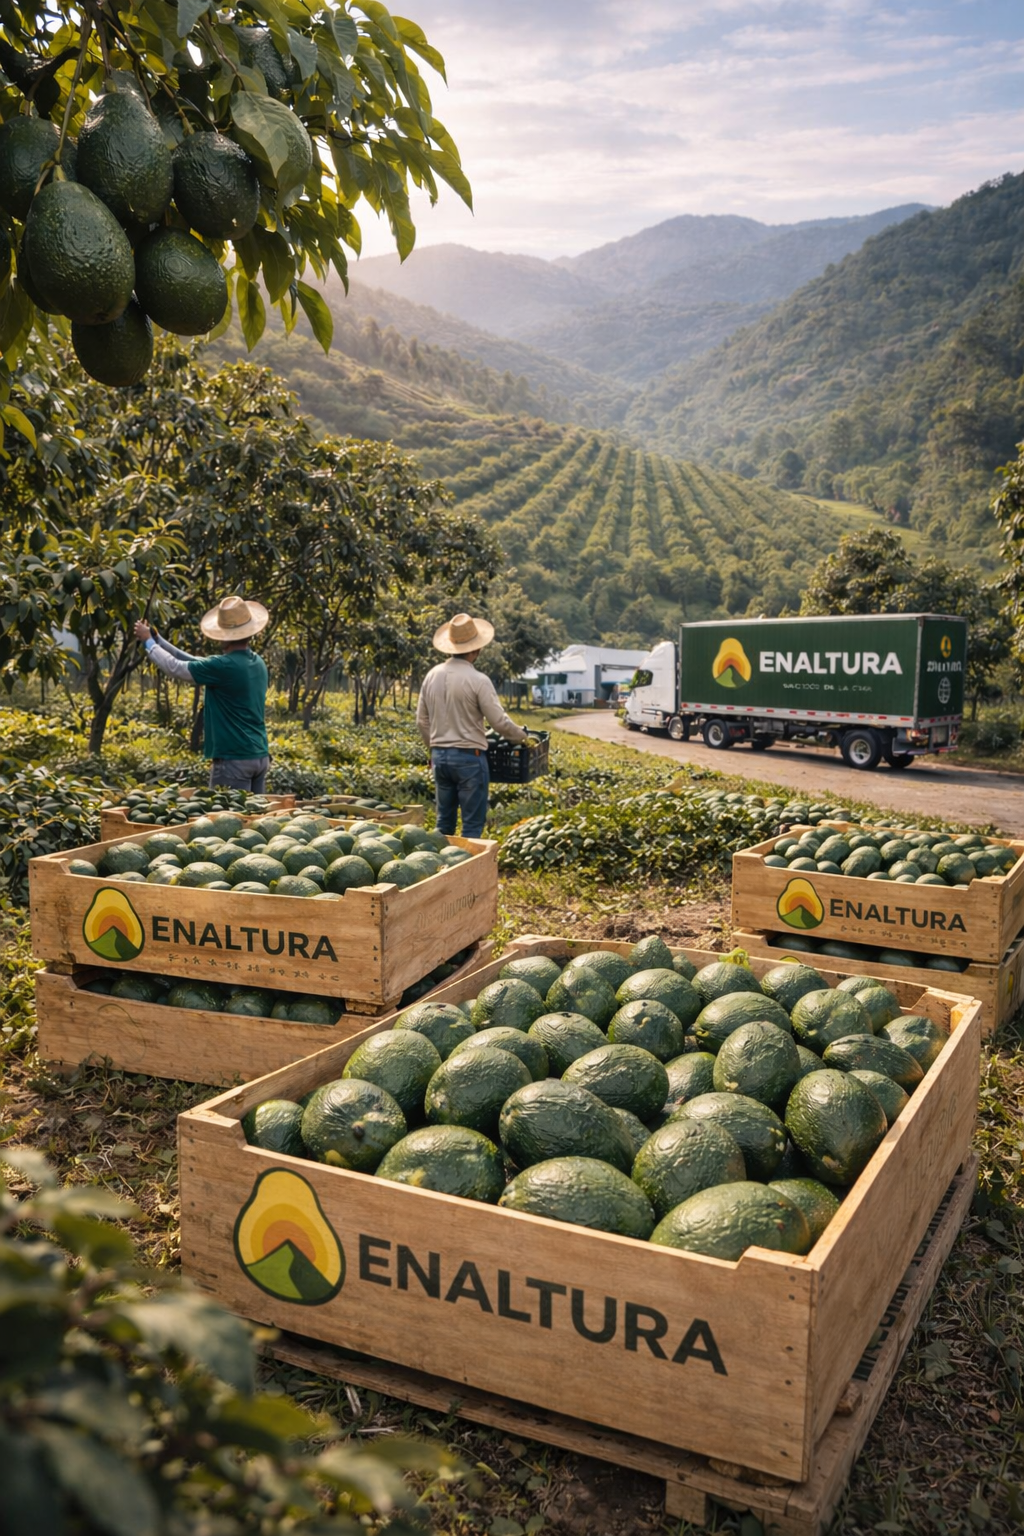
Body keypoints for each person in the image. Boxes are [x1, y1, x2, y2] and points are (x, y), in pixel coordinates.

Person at [133, 595, 271, 792]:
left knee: (227, 819)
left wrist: (148, 643)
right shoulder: (257, 662)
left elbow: (175, 667)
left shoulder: (223, 666)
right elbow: (194, 661)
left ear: (224, 634)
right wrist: (158, 640)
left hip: (234, 760)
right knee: (255, 818)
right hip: (259, 756)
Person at [417, 612, 530, 838]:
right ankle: (467, 869)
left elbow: (422, 720)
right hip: (469, 759)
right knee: (471, 826)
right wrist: (521, 737)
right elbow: (499, 722)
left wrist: (435, 748)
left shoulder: (432, 675)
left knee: (443, 824)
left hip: (440, 757)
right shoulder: (478, 680)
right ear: (476, 650)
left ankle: (443, 868)